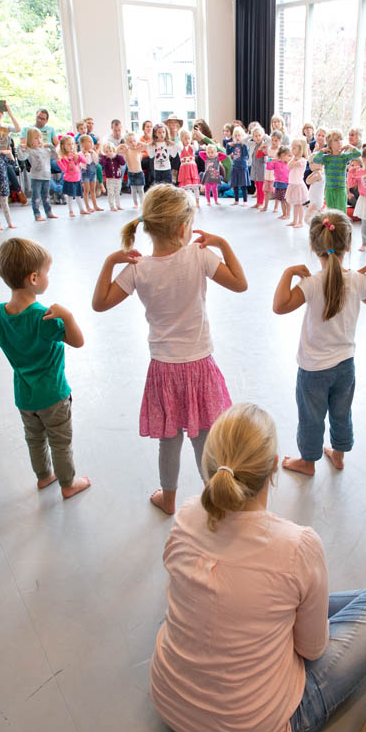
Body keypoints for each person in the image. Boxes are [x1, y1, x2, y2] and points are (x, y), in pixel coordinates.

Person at [149, 402, 366, 732]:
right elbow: (311, 650)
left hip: (168, 700)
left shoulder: (186, 513)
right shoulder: (297, 546)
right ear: (274, 468)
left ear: (209, 463)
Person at [91, 185, 248, 514]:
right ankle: (216, 500)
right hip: (199, 365)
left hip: (163, 368)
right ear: (183, 228)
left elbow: (100, 303)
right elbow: (239, 283)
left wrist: (108, 262)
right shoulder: (200, 255)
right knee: (205, 442)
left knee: (169, 441)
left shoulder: (137, 267)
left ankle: (169, 499)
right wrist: (223, 244)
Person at [273, 213, 366, 476]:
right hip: (346, 365)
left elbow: (279, 306)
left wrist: (288, 273)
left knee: (311, 418)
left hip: (313, 369)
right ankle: (338, 455)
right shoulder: (358, 280)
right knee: (341, 413)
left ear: (314, 247)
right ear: (348, 245)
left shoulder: (311, 283)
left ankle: (308, 462)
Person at [0, 238, 90, 500]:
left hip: (24, 396)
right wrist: (68, 316)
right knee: (60, 442)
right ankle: (68, 484)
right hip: (53, 394)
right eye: (47, 272)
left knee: (35, 439)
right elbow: (78, 341)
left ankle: (43, 477)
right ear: (34, 278)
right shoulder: (44, 317)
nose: (48, 276)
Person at [21, 127, 56, 220]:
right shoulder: (30, 151)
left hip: (46, 176)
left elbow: (55, 155)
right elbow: (21, 157)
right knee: (36, 197)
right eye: (36, 138)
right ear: (30, 140)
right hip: (36, 177)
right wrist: (20, 147)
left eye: (40, 137)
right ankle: (37, 214)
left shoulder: (45, 150)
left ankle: (49, 212)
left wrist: (51, 146)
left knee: (46, 196)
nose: (39, 140)